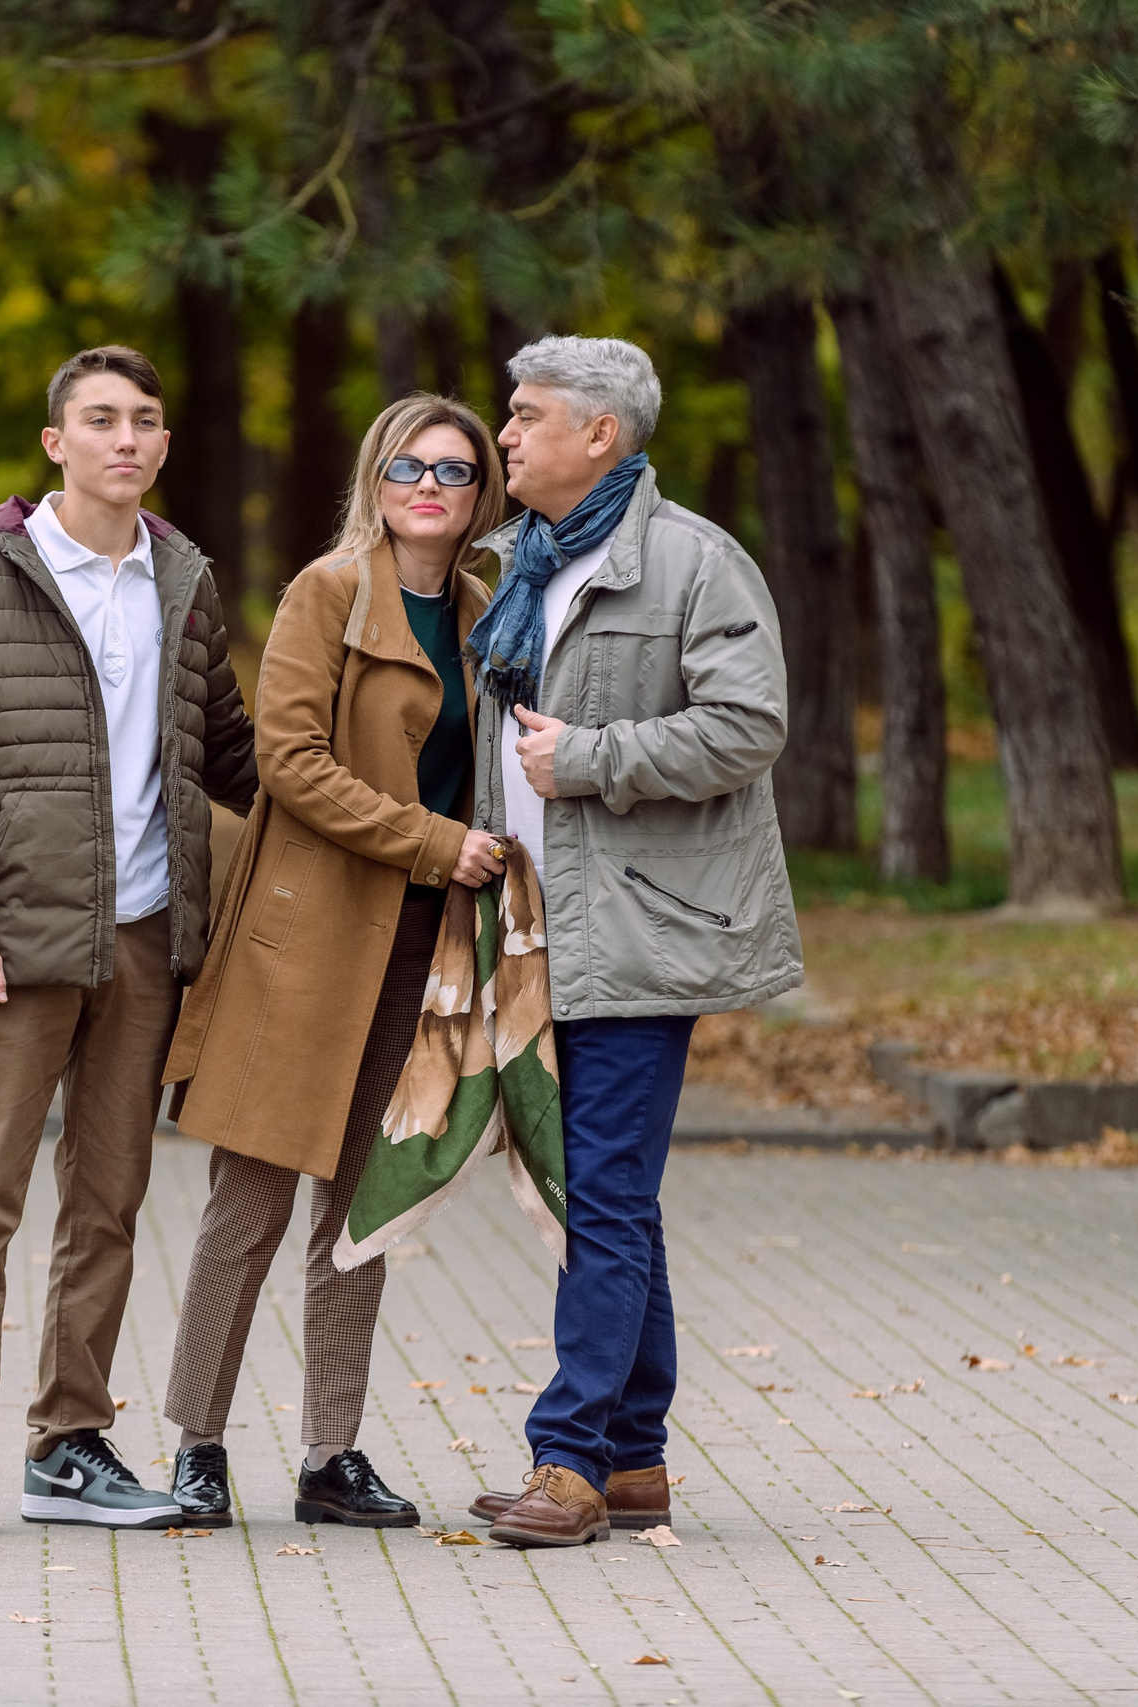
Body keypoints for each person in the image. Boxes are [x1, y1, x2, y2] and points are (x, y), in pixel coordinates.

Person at [0, 345, 259, 1539]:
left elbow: (235, 755)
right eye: (99, 420)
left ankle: (69, 1444)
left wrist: (385, 812)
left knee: (106, 1203)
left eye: (145, 421)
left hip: (149, 938)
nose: (126, 440)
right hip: (14, 944)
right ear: (54, 442)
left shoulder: (184, 579)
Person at [461, 336, 803, 1548]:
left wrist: (590, 761)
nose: (503, 434)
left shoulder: (692, 561)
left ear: (600, 434)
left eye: (526, 415)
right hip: (531, 927)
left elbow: (748, 724)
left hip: (639, 928)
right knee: (612, 1193)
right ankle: (638, 1458)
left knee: (600, 1189)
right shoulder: (519, 562)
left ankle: (568, 1461)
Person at [156, 394, 510, 1528]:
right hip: (303, 944)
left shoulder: (483, 609)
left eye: (455, 473)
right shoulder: (328, 592)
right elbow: (288, 761)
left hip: (421, 949)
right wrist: (432, 841)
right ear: (376, 476)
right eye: (410, 467)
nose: (430, 488)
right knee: (248, 1204)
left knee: (358, 1210)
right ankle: (196, 1448)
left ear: (480, 497)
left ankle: (328, 1456)